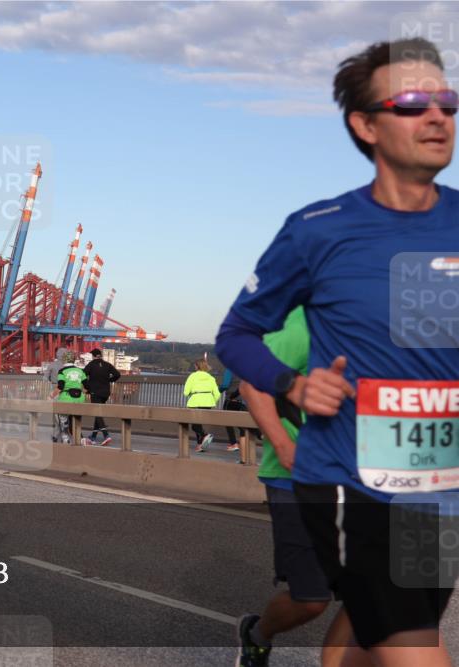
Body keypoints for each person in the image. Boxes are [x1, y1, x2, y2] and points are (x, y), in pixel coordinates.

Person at [216, 38, 456, 666]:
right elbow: (236, 334)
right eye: (413, 103)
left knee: (376, 634)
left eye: (446, 100)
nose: (438, 116)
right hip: (348, 484)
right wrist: (292, 384)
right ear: (367, 124)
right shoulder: (318, 229)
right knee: (411, 644)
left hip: (436, 491)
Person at [234, 307, 352, 667]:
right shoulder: (309, 320)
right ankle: (256, 635)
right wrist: (285, 447)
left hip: (363, 482)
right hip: (297, 479)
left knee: (369, 596)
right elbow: (253, 383)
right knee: (311, 598)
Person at [82, 348, 121, 446]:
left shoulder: (91, 364)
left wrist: (87, 387)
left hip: (95, 392)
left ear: (93, 356)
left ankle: (106, 435)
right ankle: (93, 437)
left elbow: (82, 375)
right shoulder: (107, 364)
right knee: (98, 413)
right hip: (105, 393)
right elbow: (117, 374)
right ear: (100, 355)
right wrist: (109, 380)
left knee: (97, 412)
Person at [50, 351, 88, 444]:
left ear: (64, 360)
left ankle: (65, 439)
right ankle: (81, 440)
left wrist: (51, 395)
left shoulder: (62, 371)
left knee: (63, 421)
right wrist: (80, 392)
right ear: (74, 360)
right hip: (79, 399)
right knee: (76, 421)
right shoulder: (81, 371)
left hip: (66, 399)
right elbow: (87, 387)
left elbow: (61, 386)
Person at [183, 359, 220, 452]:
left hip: (195, 402)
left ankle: (204, 435)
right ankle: (200, 445)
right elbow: (217, 394)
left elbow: (186, 392)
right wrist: (212, 401)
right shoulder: (211, 378)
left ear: (197, 366)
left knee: (195, 425)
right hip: (208, 402)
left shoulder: (192, 376)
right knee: (198, 424)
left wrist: (193, 393)